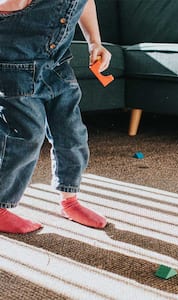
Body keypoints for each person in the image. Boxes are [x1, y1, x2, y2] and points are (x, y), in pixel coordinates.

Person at [0, 0, 111, 233]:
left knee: (72, 133)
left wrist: (94, 42)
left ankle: (69, 199)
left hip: (57, 66)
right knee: (25, 135)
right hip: (15, 66)